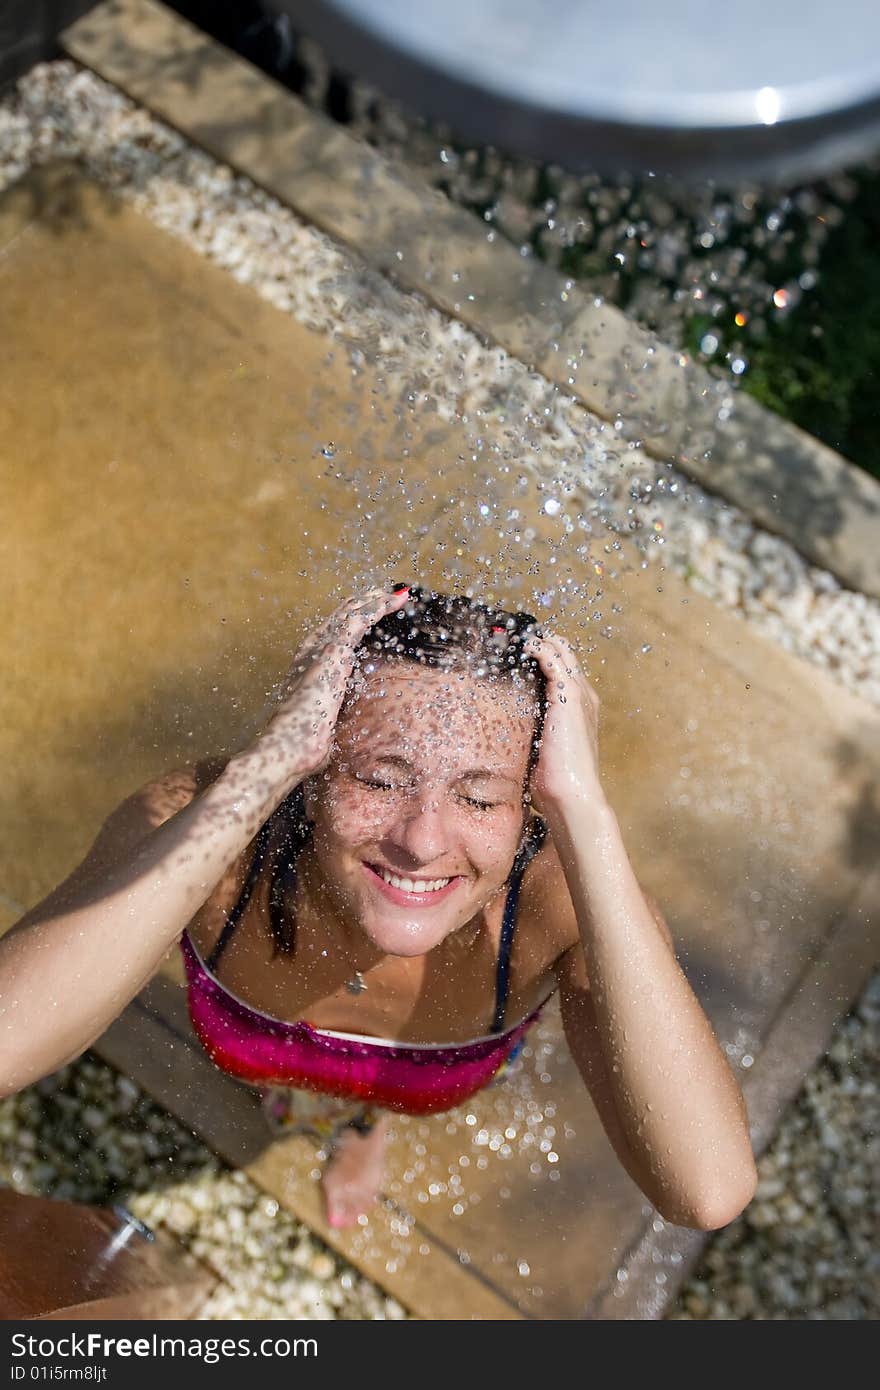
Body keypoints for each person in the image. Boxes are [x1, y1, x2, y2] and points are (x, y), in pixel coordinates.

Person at [0, 583, 757, 1231]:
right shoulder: (213, 840)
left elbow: (707, 1192)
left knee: (360, 1106)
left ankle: (364, 1123)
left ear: (532, 807)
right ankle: (330, 1110)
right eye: (379, 779)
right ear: (317, 766)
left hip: (386, 1070)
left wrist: (587, 819)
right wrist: (264, 767)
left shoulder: (558, 907)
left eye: (479, 796)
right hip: (291, 999)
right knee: (283, 1087)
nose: (423, 841)